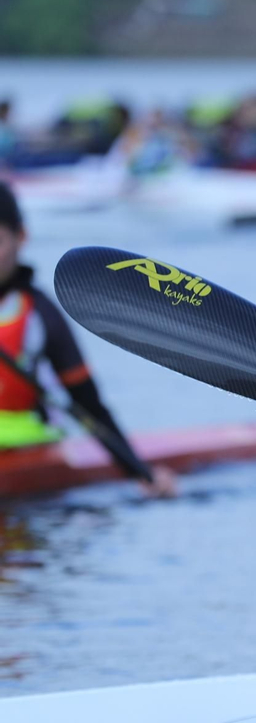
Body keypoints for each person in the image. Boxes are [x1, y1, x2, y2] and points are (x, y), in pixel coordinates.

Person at [0, 181, 176, 495]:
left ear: (21, 238)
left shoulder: (41, 315)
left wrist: (141, 473)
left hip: (27, 456)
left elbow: (89, 407)